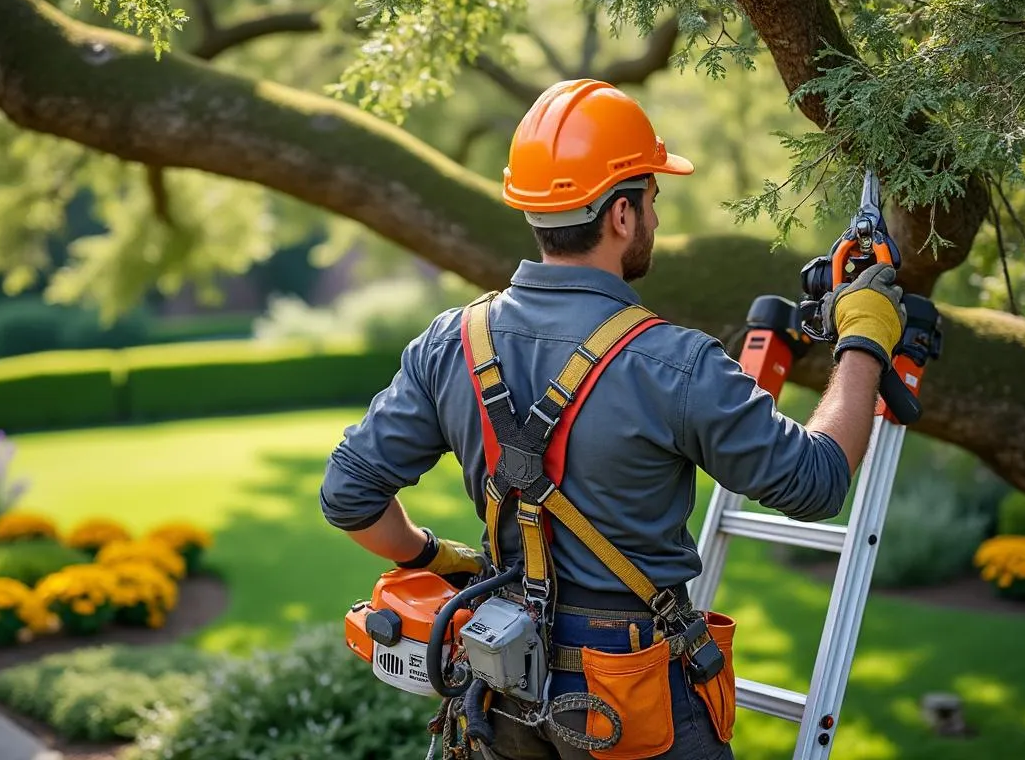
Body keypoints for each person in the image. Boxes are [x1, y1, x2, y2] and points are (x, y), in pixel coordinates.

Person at [319, 79, 906, 759]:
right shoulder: (673, 362)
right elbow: (819, 481)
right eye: (653, 199)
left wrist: (426, 555)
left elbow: (349, 496)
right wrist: (863, 339)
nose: (655, 217)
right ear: (621, 215)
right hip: (628, 694)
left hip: (500, 681)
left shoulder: (452, 342)